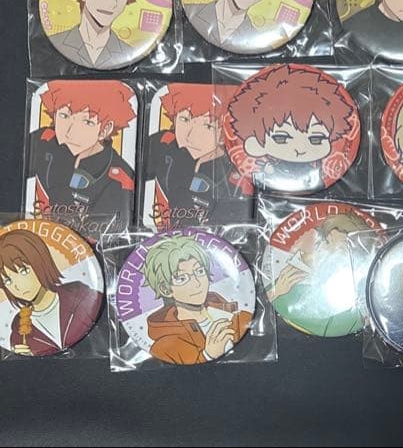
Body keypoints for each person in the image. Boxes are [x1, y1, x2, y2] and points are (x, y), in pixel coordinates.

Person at [226, 65, 359, 193]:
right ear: (255, 143)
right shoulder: (267, 168)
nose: (299, 148)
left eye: (316, 139)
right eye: (281, 138)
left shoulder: (317, 170)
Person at [26, 80, 136, 231]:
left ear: (105, 129)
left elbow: (96, 238)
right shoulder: (42, 140)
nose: (69, 132)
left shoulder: (120, 180)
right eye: (64, 116)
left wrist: (61, 191)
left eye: (86, 122)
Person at [0, 229, 103, 357]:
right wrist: (21, 355)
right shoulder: (18, 327)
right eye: (7, 281)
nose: (17, 286)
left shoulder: (79, 294)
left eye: (24, 271)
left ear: (41, 261)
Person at [144, 84, 243, 230]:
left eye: (208, 126)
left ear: (224, 133)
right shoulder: (162, 144)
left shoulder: (237, 180)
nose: (190, 136)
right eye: (184, 119)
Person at [143, 235, 253, 364]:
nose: (197, 283)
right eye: (182, 278)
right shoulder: (164, 347)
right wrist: (208, 355)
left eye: (200, 271)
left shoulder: (238, 317)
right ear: (165, 290)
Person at [267, 212, 370, 337]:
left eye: (329, 244)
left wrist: (276, 293)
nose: (321, 248)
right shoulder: (289, 275)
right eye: (325, 240)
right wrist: (277, 291)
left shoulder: (349, 307)